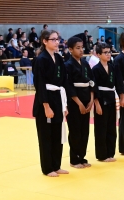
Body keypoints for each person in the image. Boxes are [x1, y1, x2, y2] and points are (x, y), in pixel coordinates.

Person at [32, 30, 69, 177]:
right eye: (53, 39)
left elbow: (64, 81)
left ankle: (56, 165)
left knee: (57, 134)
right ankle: (47, 168)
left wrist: (64, 105)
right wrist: (46, 106)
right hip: (45, 100)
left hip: (58, 98)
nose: (56, 42)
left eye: (57, 39)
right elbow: (39, 84)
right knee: (46, 136)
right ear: (45, 41)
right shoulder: (40, 59)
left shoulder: (59, 58)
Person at [65, 36, 94, 169]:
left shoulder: (86, 64)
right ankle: (74, 159)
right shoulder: (68, 65)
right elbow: (68, 86)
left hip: (87, 99)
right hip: (74, 102)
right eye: (78, 48)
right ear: (70, 49)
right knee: (75, 130)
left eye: (82, 47)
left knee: (85, 131)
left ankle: (82, 156)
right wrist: (79, 103)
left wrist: (92, 99)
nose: (81, 50)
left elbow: (92, 82)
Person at [92, 42, 120, 162]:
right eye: (105, 52)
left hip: (111, 97)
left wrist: (121, 97)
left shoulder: (113, 67)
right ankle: (102, 155)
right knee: (101, 128)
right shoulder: (95, 69)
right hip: (101, 98)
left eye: (109, 52)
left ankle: (110, 153)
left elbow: (117, 83)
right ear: (98, 54)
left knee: (111, 127)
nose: (108, 54)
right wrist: (97, 104)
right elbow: (94, 88)